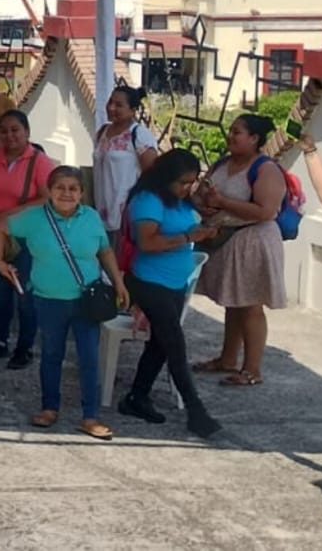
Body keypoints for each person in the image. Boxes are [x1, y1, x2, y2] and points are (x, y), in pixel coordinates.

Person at [0, 166, 128, 440]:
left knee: (89, 358)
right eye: (60, 188)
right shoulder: (34, 218)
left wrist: (119, 283)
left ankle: (90, 416)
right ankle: (49, 408)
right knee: (51, 355)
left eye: (73, 188)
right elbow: (0, 227)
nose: (66, 193)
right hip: (49, 300)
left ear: (82, 193)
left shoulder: (91, 217)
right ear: (50, 191)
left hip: (86, 300)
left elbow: (104, 250)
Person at [117, 149, 223, 439]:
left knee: (161, 344)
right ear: (166, 177)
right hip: (149, 282)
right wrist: (190, 237)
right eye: (183, 182)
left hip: (175, 283)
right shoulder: (147, 200)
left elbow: (188, 225)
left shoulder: (178, 200)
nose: (187, 188)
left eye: (192, 182)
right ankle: (196, 411)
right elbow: (148, 243)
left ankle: (137, 397)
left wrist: (205, 228)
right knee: (175, 344)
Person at [193, 114, 288, 388]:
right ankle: (228, 359)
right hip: (226, 240)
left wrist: (222, 202)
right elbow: (200, 193)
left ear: (254, 138)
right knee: (234, 302)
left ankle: (252, 369)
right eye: (231, 131)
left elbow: (266, 211)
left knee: (250, 306)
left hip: (253, 242)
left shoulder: (266, 169)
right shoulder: (223, 163)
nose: (231, 136)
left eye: (237, 132)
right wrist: (204, 205)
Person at [0, 111, 54, 370]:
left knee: (25, 293)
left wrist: (11, 213)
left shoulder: (40, 162)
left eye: (15, 130)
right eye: (4, 131)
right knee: (0, 291)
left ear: (27, 132)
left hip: (27, 238)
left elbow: (48, 199)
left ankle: (25, 346)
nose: (9, 135)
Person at [93, 86, 158, 245]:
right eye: (110, 102)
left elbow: (152, 176)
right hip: (100, 211)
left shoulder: (139, 135)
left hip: (125, 215)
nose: (111, 108)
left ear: (133, 110)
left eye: (119, 105)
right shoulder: (102, 132)